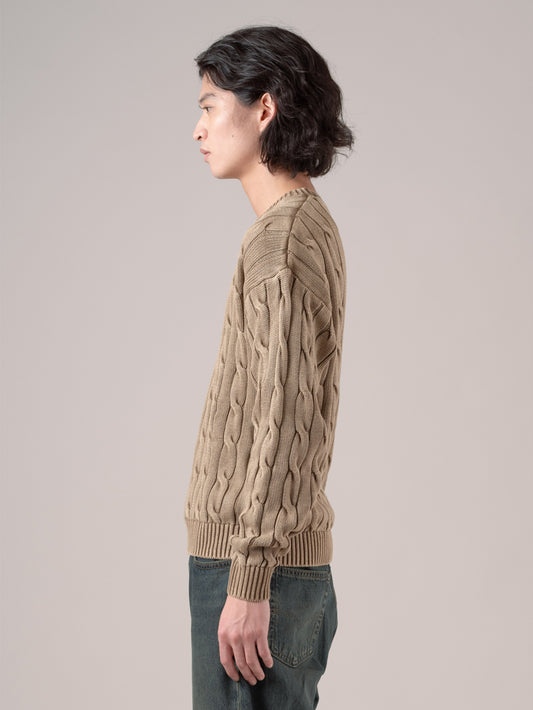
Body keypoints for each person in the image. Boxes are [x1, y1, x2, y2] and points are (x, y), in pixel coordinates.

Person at [184, 25, 354, 709]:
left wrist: (249, 579)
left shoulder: (280, 242)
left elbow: (282, 420)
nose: (198, 129)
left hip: (255, 567)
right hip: (278, 563)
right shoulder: (305, 225)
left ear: (264, 107)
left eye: (209, 105)